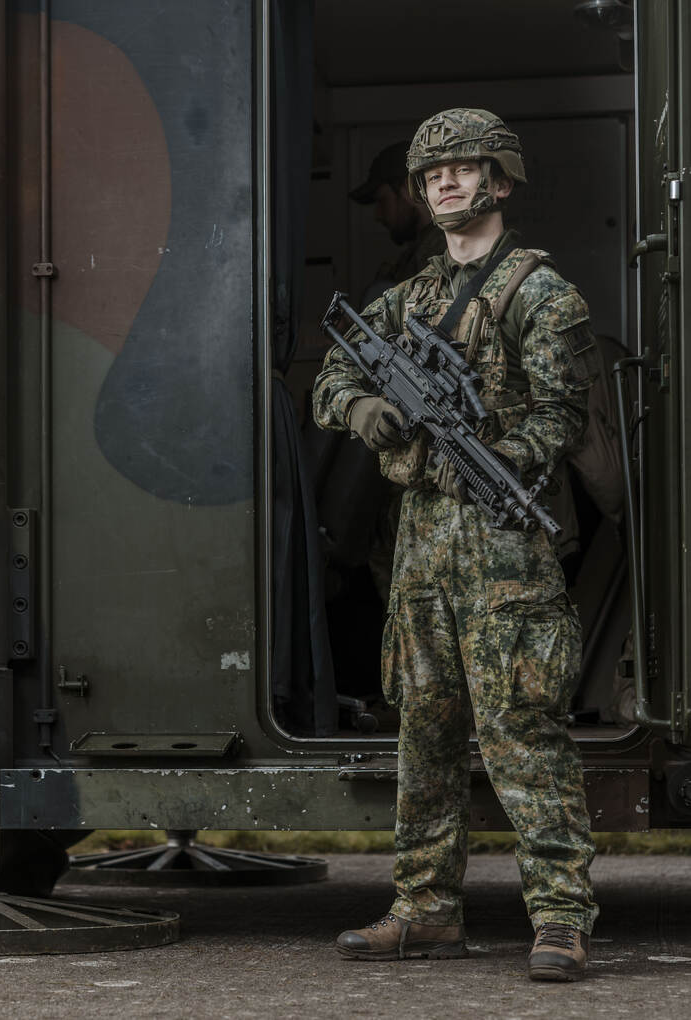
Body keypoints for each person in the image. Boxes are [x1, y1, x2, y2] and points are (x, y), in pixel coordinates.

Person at [312, 108, 600, 981]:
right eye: (431, 174)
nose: (443, 183)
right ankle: (425, 909)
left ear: (499, 181)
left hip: (504, 539)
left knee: (522, 731)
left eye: (463, 169)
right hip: (421, 542)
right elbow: (332, 373)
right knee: (424, 732)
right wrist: (364, 408)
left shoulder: (542, 295)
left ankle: (560, 918)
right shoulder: (408, 299)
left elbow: (564, 415)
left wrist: (500, 456)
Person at [349, 140, 445, 306]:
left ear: (410, 189)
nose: (378, 215)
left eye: (382, 201)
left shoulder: (444, 252)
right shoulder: (419, 251)